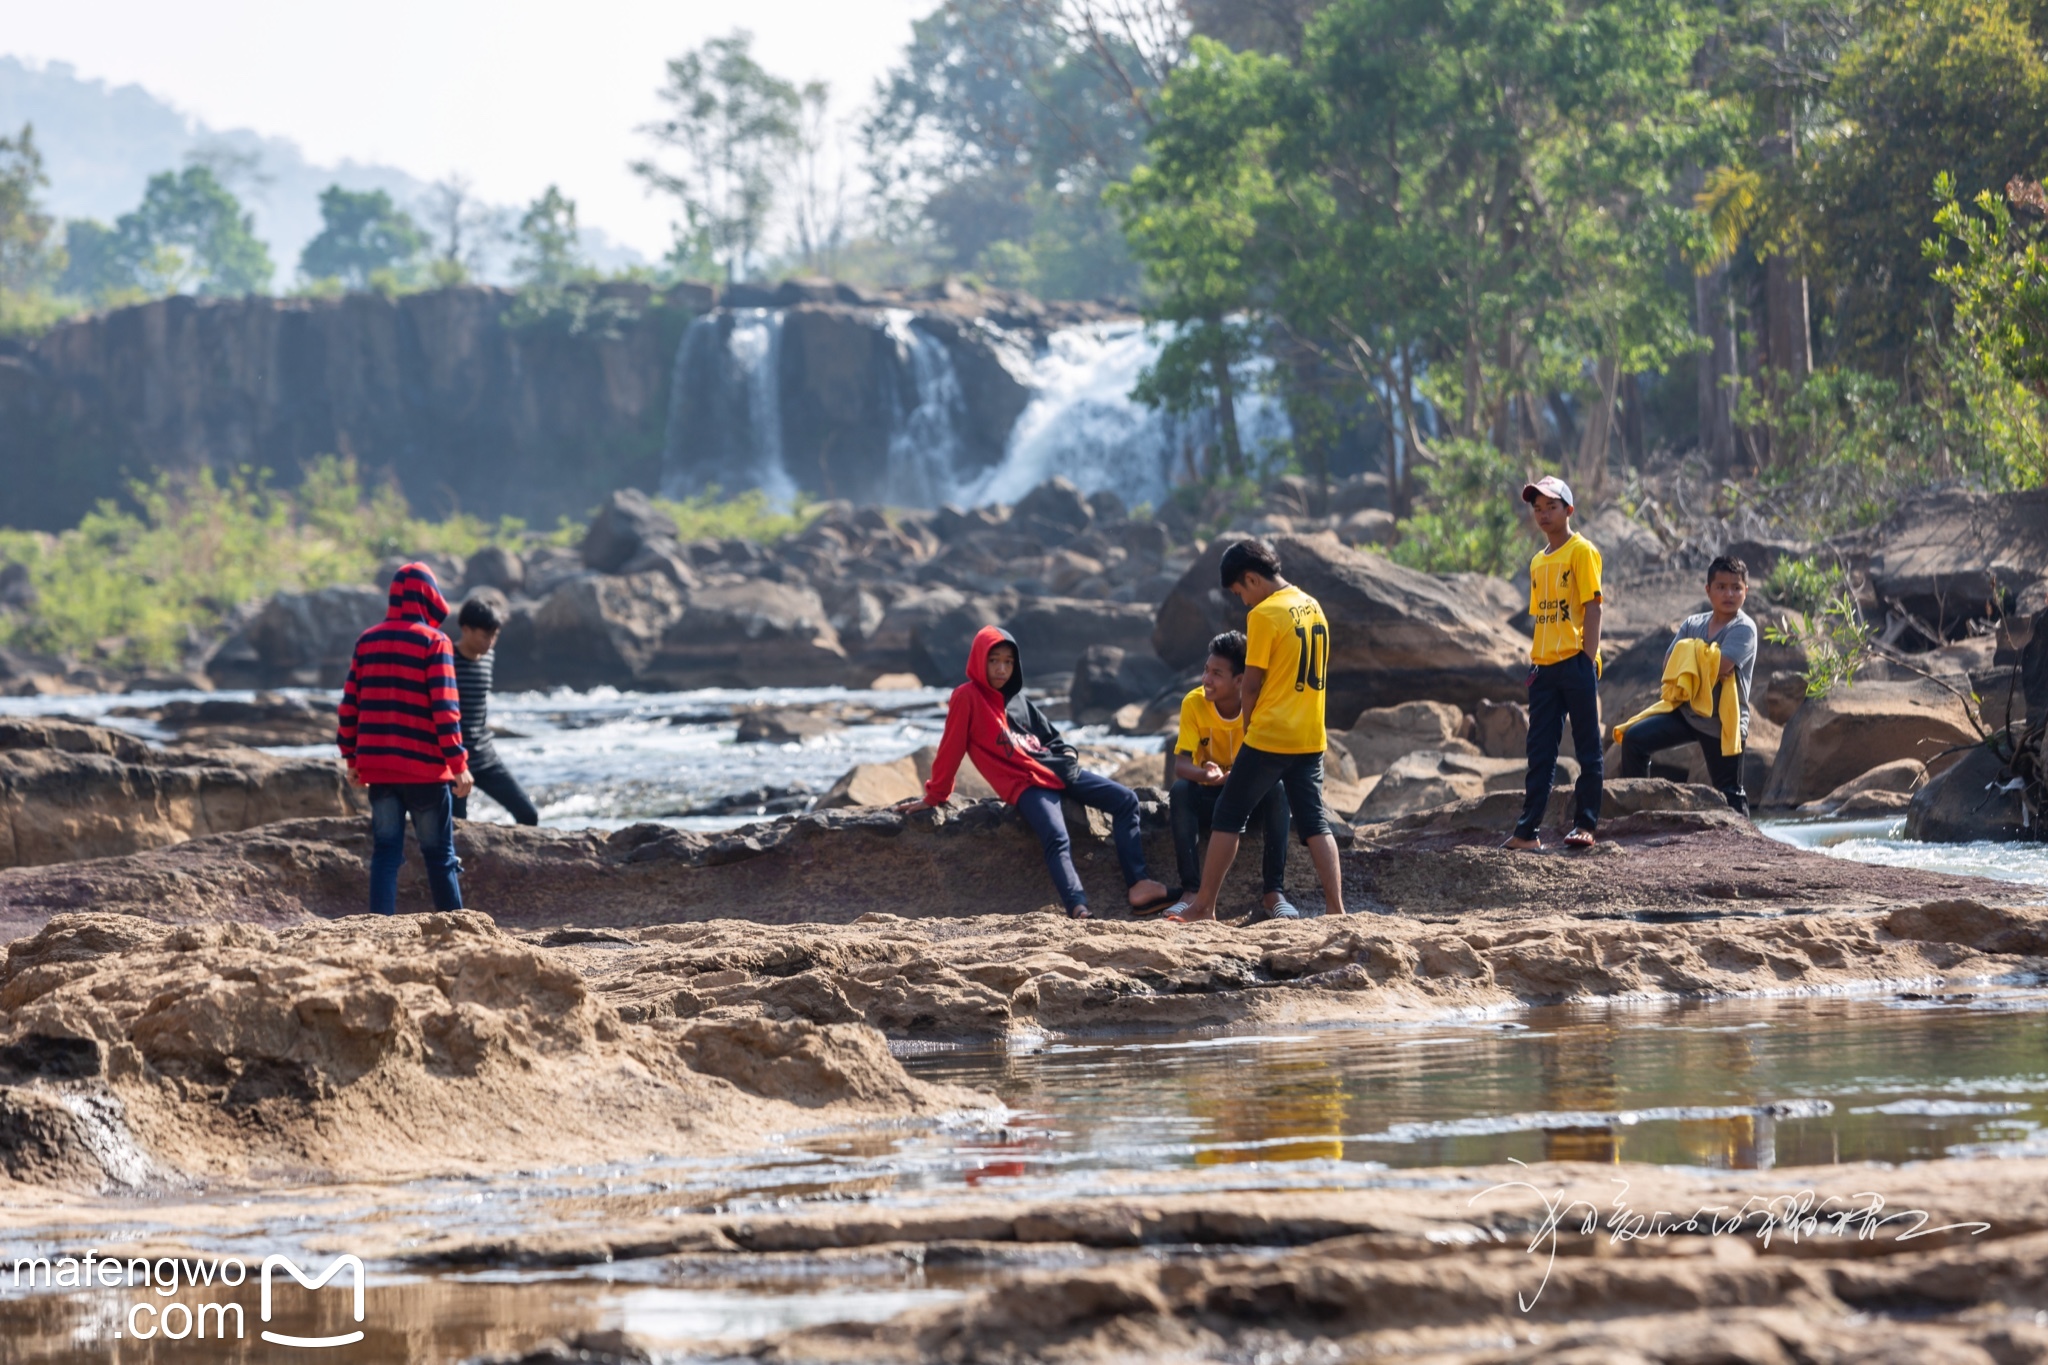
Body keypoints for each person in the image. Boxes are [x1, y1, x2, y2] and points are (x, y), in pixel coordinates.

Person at [898, 625, 1169, 920]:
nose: (1002, 669)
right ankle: (1078, 907)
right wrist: (935, 795)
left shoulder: (1018, 699)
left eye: (1008, 662)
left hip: (1060, 771)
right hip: (1025, 782)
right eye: (994, 660)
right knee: (1056, 835)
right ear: (979, 660)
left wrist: (1067, 755)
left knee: (1126, 799)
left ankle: (1140, 885)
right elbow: (951, 748)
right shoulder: (967, 697)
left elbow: (1053, 738)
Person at [1168, 540, 1346, 922]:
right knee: (1315, 822)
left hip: (1271, 734)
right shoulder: (1312, 606)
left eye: (1240, 592)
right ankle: (1336, 909)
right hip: (1311, 734)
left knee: (1228, 815)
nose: (1243, 601)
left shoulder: (1265, 614)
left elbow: (1250, 684)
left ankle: (1203, 906)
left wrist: (1250, 731)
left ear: (1251, 578)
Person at [337, 562, 472, 916]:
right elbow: (445, 709)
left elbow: (350, 704)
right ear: (428, 596)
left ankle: (379, 929)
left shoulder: (367, 641)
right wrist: (459, 765)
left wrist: (352, 759)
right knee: (440, 857)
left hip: (379, 770)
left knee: (385, 854)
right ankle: (457, 930)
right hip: (427, 771)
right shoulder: (435, 641)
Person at [1162, 630, 1297, 922]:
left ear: (1240, 680)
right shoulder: (1194, 703)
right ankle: (1191, 893)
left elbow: (1277, 761)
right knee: (1181, 791)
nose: (1206, 679)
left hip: (1249, 798)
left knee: (1279, 790)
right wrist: (1206, 774)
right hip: (1211, 796)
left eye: (1216, 674)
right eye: (1206, 670)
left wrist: (1243, 776)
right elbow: (1181, 766)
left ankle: (1274, 893)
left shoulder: (1259, 703)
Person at [1508, 475, 1606, 851]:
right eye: (1537, 507)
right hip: (1544, 669)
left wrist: (1587, 658)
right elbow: (1543, 616)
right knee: (1541, 753)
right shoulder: (1538, 561)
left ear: (1568, 510)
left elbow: (1592, 607)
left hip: (1575, 664)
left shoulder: (1582, 551)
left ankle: (1586, 825)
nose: (1543, 513)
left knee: (1587, 749)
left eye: (1551, 506)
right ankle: (1527, 832)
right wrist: (1538, 664)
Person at [1617, 555, 1756, 814]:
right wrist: (1705, 658)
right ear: (1708, 590)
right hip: (1688, 712)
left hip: (1722, 722)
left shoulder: (1744, 629)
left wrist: (1690, 655)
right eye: (1721, 587)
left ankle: (1747, 846)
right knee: (1634, 740)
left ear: (1745, 591)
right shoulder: (1693, 623)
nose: (1729, 594)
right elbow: (1669, 665)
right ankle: (1635, 815)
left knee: (1730, 792)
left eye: (1736, 587)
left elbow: (1721, 667)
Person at [450, 593, 540, 826]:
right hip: (454, 759)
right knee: (458, 825)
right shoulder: (446, 658)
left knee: (528, 814)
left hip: (485, 755)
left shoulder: (488, 657)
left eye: (495, 635)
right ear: (466, 629)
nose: (489, 642)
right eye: (484, 635)